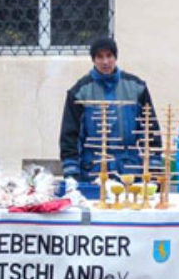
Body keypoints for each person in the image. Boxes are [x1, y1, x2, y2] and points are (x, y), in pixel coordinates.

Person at [59, 37, 160, 181]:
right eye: (99, 57)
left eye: (109, 56)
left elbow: (150, 130)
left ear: (115, 57)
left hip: (129, 171)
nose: (105, 62)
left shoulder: (137, 88)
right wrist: (71, 171)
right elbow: (69, 136)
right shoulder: (79, 92)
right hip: (93, 171)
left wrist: (153, 166)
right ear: (93, 59)